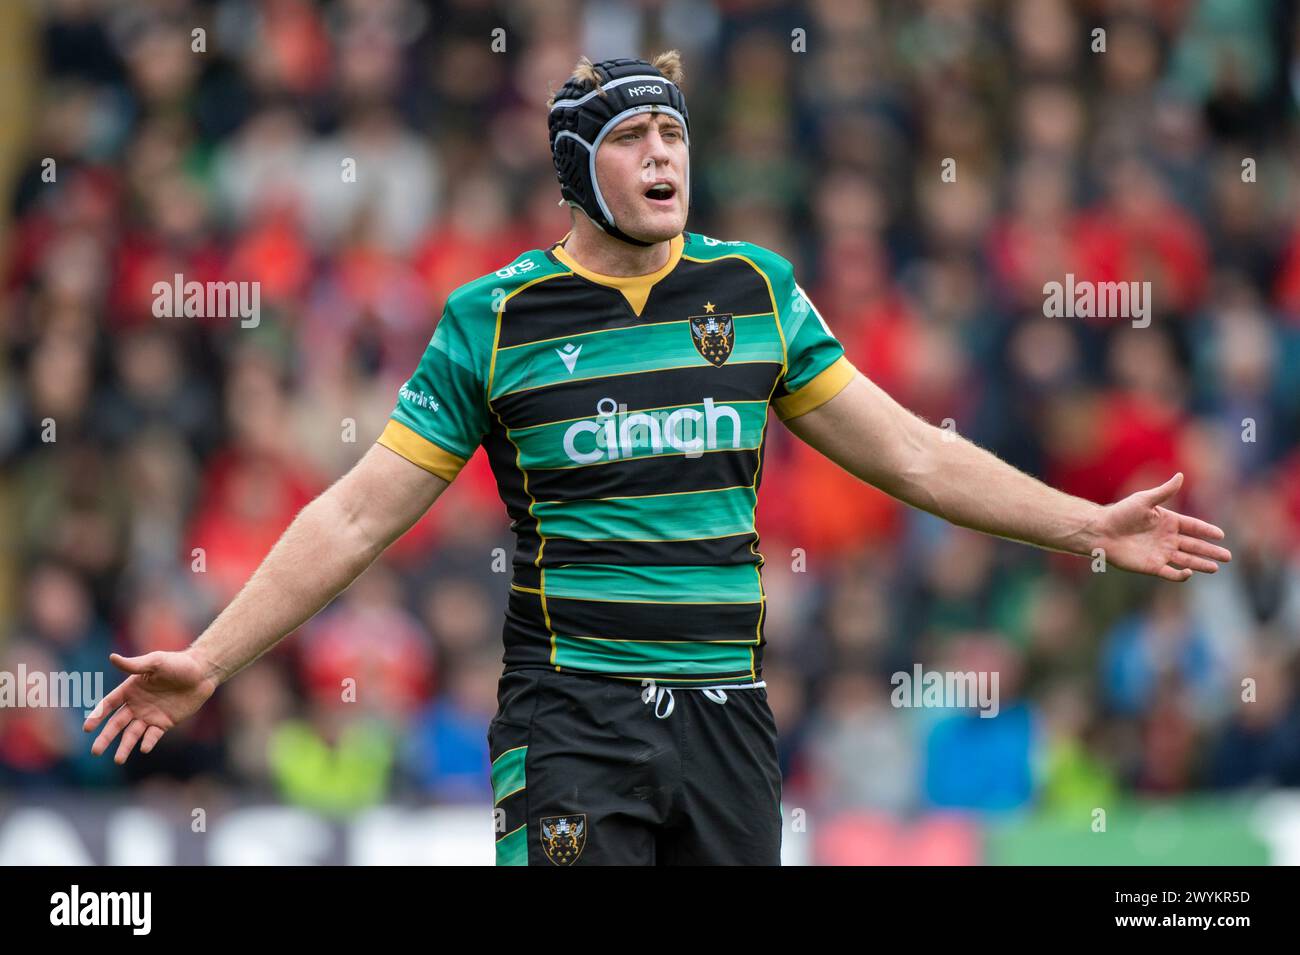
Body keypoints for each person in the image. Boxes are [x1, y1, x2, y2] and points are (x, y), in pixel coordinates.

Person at [85, 52, 1232, 866]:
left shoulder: (756, 292)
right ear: (578, 166)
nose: (662, 153)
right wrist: (215, 657)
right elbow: (353, 518)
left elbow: (914, 460)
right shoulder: (492, 320)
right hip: (572, 721)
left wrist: (1086, 523)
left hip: (729, 718)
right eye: (632, 136)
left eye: (674, 131)